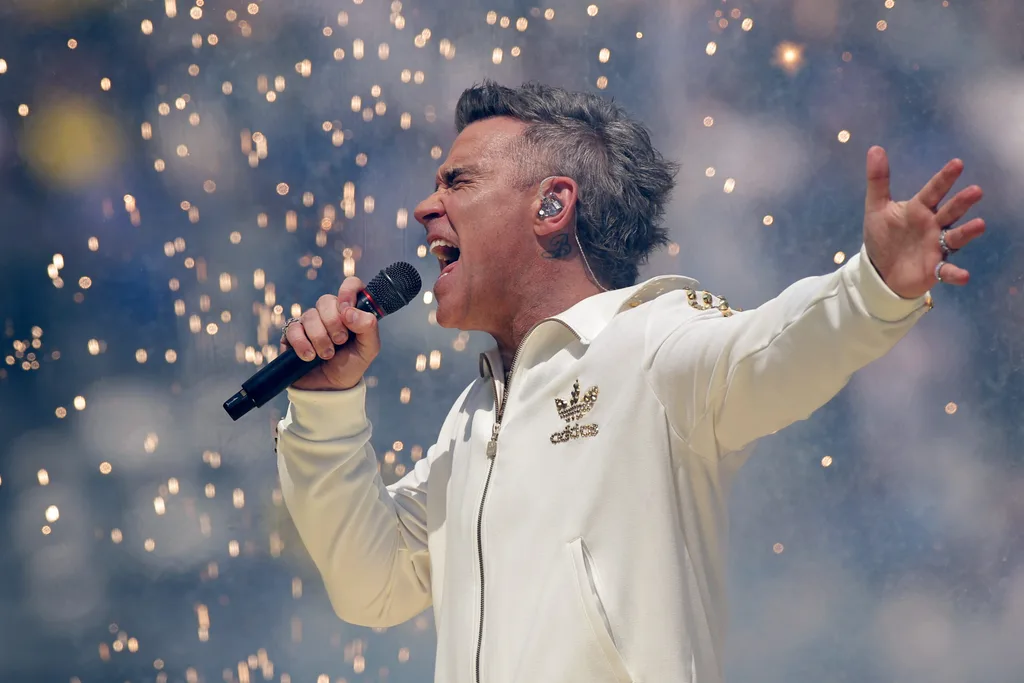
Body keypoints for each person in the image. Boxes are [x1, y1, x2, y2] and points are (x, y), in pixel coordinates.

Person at [274, 81, 986, 683]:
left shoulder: (652, 341)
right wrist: (325, 408)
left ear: (552, 205)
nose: (427, 207)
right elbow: (372, 584)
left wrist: (872, 287)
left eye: (458, 182)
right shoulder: (472, 416)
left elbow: (775, 349)